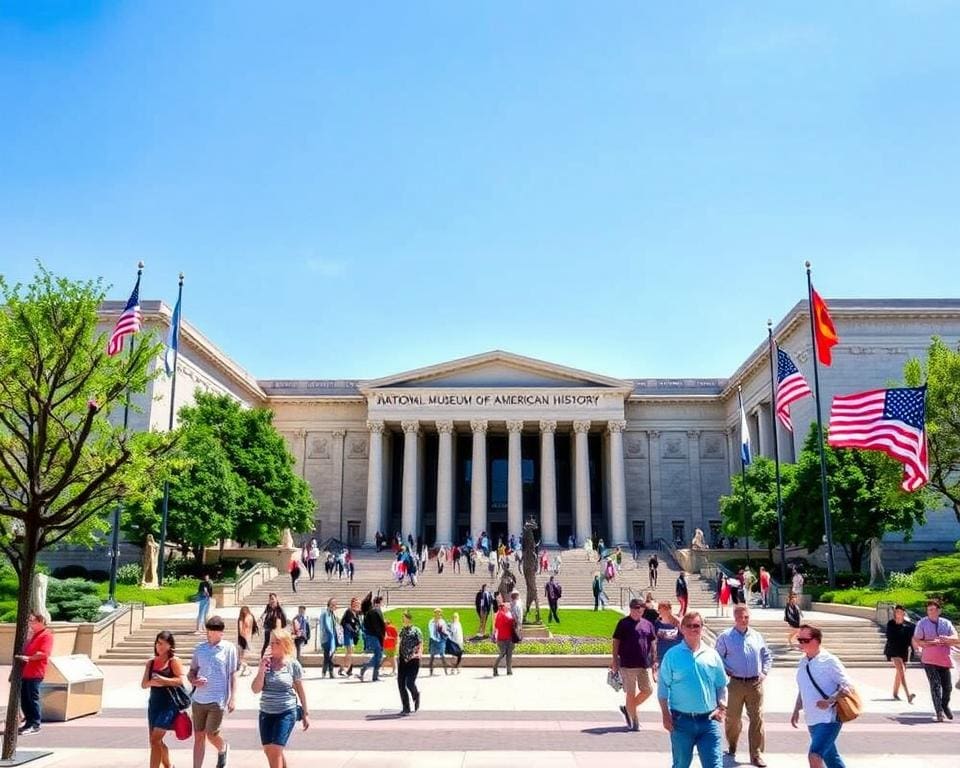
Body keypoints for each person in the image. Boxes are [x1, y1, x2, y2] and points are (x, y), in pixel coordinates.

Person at [657, 611, 728, 768]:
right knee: (681, 764)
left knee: (715, 765)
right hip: (681, 722)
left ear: (702, 628)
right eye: (688, 626)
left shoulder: (712, 655)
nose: (693, 629)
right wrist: (665, 714)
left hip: (709, 721)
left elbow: (721, 685)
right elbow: (663, 689)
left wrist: (722, 707)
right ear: (682, 629)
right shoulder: (672, 655)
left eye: (696, 625)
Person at [714, 606, 772, 767]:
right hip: (735, 683)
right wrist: (725, 668)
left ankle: (756, 754)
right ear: (735, 617)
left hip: (755, 683)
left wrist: (764, 672)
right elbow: (717, 656)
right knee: (733, 719)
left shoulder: (756, 636)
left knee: (757, 718)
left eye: (746, 617)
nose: (743, 620)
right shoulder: (726, 637)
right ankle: (732, 746)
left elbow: (767, 655)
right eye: (740, 617)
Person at [791, 624, 853, 768]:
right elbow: (804, 688)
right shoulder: (803, 662)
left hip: (829, 719)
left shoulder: (829, 660)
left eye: (804, 640)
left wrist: (830, 701)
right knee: (831, 758)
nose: (800, 643)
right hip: (812, 718)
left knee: (814, 755)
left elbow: (848, 686)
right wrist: (796, 709)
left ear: (816, 641)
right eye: (799, 640)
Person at [251, 628, 309, 768]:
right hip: (266, 712)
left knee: (276, 750)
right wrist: (261, 670)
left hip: (286, 712)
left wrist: (305, 713)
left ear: (285, 644)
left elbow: (300, 690)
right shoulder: (266, 663)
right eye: (271, 642)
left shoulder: (292, 664)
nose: (272, 645)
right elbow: (255, 689)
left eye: (277, 642)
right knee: (269, 750)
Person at [188, 616, 238, 768]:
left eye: (214, 631)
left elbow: (233, 674)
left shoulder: (229, 648)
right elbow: (191, 672)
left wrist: (233, 697)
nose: (210, 634)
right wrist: (193, 680)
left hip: (217, 699)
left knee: (211, 733)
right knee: (198, 737)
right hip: (198, 699)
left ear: (221, 633)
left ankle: (222, 748)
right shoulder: (200, 649)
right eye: (209, 631)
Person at [611, 598, 657, 731]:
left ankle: (628, 708)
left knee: (647, 690)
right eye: (636, 608)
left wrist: (654, 660)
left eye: (641, 608)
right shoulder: (623, 623)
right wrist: (614, 660)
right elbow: (616, 641)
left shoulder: (648, 624)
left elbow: (653, 642)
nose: (639, 611)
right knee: (630, 693)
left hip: (643, 664)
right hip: (627, 665)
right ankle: (634, 721)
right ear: (631, 609)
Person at [142, 630, 186, 768]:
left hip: (169, 705)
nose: (159, 646)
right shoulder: (151, 662)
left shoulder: (174, 661)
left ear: (169, 645)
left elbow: (180, 681)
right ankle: (168, 765)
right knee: (155, 741)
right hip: (154, 705)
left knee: (155, 739)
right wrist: (153, 683)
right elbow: (144, 684)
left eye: (163, 644)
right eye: (157, 643)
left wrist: (163, 680)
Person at [913, 598, 958, 722]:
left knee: (948, 687)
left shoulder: (946, 623)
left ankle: (944, 705)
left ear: (939, 610)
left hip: (944, 660)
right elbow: (918, 640)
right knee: (935, 685)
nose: (931, 612)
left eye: (933, 609)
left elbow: (955, 637)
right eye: (929, 610)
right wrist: (931, 643)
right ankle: (939, 712)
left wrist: (947, 639)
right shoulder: (922, 623)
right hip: (929, 660)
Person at [15, 612, 54, 735]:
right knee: (25, 699)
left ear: (41, 622)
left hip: (35, 672)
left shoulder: (46, 635)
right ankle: (28, 723)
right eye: (30, 621)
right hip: (26, 672)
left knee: (32, 698)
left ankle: (35, 724)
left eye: (33, 621)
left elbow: (43, 653)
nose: (31, 624)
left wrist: (28, 658)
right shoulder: (35, 635)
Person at [884, 604, 916, 703]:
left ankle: (895, 693)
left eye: (900, 612)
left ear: (904, 613)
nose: (898, 614)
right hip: (893, 650)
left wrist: (914, 650)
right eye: (896, 612)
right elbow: (889, 637)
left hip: (904, 651)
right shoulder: (891, 624)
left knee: (900, 673)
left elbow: (912, 639)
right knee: (901, 669)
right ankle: (908, 695)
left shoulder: (909, 626)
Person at [397, 610, 423, 715]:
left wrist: (419, 653)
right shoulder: (402, 630)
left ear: (410, 619)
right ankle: (406, 707)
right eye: (403, 618)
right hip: (403, 660)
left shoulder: (416, 630)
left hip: (413, 660)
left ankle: (416, 695)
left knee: (409, 683)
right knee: (401, 684)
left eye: (406, 618)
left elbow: (421, 643)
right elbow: (399, 642)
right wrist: (397, 655)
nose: (404, 620)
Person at [357, 595, 386, 681]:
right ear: (379, 602)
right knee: (379, 655)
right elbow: (376, 626)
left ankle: (375, 675)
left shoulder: (374, 611)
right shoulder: (374, 611)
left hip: (374, 636)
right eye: (382, 602)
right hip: (374, 636)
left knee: (378, 655)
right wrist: (382, 635)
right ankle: (365, 668)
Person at [492, 602, 516, 676]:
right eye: (507, 606)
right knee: (502, 654)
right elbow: (510, 621)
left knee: (509, 654)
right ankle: (495, 668)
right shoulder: (501, 614)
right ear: (503, 607)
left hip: (508, 638)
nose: (509, 608)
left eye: (509, 607)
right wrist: (514, 620)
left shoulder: (506, 614)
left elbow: (496, 627)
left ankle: (509, 670)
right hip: (503, 639)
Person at [339, 596, 361, 677]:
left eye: (358, 604)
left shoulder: (356, 613)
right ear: (352, 604)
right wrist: (352, 629)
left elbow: (357, 624)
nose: (356, 605)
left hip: (352, 635)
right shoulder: (348, 612)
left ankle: (345, 668)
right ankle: (346, 668)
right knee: (349, 652)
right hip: (347, 634)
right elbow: (345, 623)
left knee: (350, 652)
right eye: (355, 604)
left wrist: (357, 629)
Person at [319, 598, 339, 679]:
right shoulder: (325, 614)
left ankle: (326, 672)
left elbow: (334, 626)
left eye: (335, 605)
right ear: (329, 604)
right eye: (332, 604)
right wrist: (330, 635)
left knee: (329, 656)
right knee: (328, 656)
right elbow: (324, 627)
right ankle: (329, 672)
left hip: (332, 639)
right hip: (326, 639)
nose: (334, 606)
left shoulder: (332, 614)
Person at [237, 606, 259, 676]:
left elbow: (241, 631)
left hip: (243, 638)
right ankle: (246, 669)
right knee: (242, 656)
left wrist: (245, 638)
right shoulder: (251, 616)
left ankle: (247, 668)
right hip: (247, 638)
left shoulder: (242, 618)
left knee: (241, 657)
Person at [427, 608, 449, 675]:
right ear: (434, 613)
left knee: (442, 656)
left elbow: (445, 630)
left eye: (439, 613)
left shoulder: (442, 621)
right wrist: (435, 638)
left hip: (441, 641)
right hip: (433, 641)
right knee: (432, 656)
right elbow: (431, 631)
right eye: (436, 613)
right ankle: (431, 671)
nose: (438, 614)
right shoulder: (431, 621)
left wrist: (445, 636)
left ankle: (446, 671)